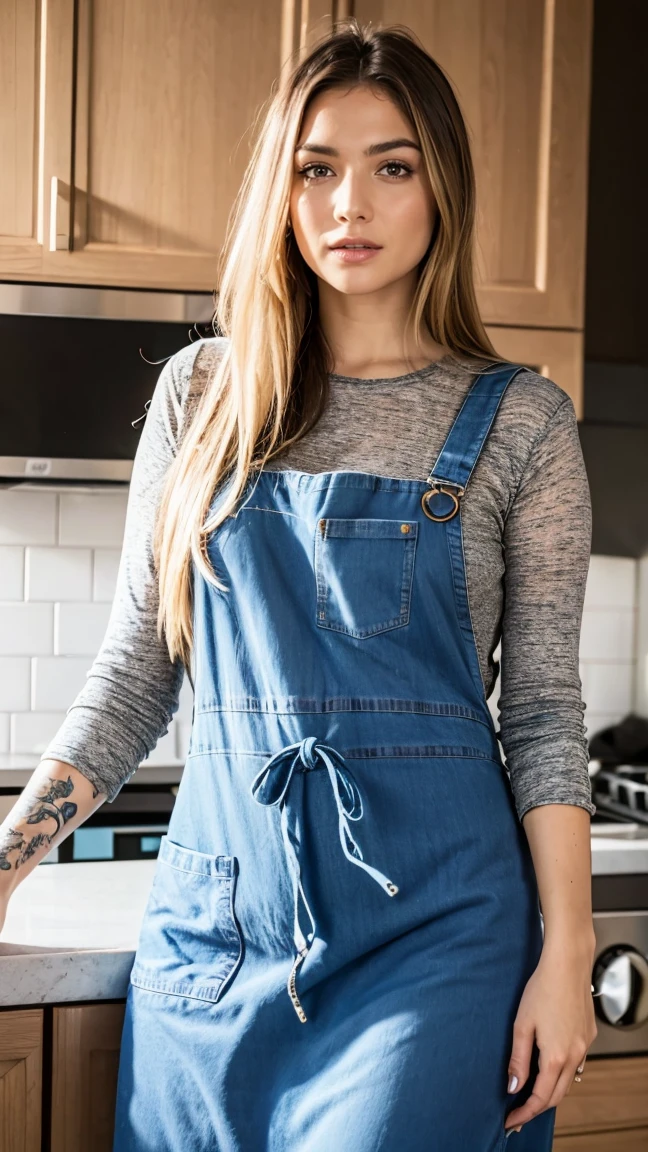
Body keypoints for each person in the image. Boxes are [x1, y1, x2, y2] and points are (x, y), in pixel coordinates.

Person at [0, 18, 598, 1151]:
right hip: (214, 940)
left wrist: (564, 954)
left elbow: (545, 715)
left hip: (438, 937)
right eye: (317, 169)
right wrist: (7, 866)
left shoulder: (522, 421)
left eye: (392, 167)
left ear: (442, 192)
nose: (349, 205)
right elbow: (137, 667)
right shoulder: (200, 399)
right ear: (281, 192)